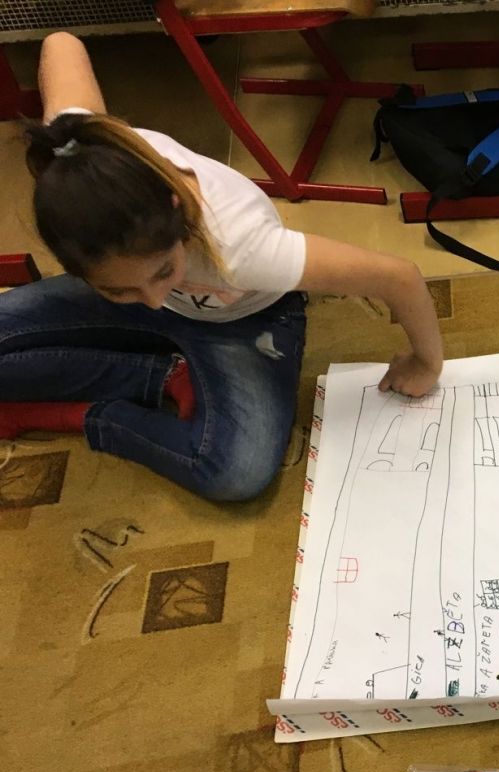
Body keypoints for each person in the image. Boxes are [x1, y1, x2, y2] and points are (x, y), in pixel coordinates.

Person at [0, 32, 442, 501]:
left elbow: (399, 276)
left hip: (241, 319)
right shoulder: (73, 153)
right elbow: (60, 41)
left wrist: (426, 363)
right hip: (168, 298)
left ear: (176, 212)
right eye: (118, 288)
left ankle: (90, 412)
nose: (152, 300)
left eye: (163, 271)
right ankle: (161, 374)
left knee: (235, 472)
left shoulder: (242, 247)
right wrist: (132, 288)